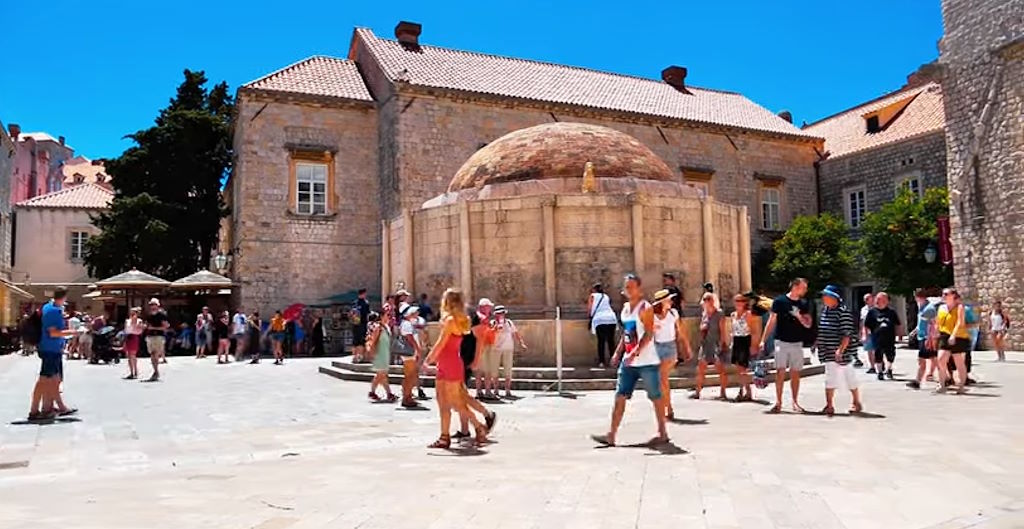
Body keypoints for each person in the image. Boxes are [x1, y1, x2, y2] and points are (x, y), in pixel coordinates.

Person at [591, 274, 668, 447]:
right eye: (626, 287)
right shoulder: (625, 308)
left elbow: (648, 334)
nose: (628, 290)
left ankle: (662, 432)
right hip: (629, 361)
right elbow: (627, 334)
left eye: (632, 286)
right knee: (620, 395)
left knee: (655, 396)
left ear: (639, 289)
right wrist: (619, 353)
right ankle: (611, 434)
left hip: (647, 360)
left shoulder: (645, 308)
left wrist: (635, 352)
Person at [425, 288, 490, 448]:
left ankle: (478, 426)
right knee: (443, 401)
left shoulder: (450, 321)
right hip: (450, 362)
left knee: (456, 402)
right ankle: (444, 436)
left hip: (449, 364)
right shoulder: (461, 320)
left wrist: (428, 360)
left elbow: (441, 343)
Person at [761, 278, 813, 413]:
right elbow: (772, 321)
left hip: (797, 342)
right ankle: (778, 402)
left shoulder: (803, 303)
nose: (805, 290)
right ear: (795, 286)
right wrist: (763, 340)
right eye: (803, 287)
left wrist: (799, 317)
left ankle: (795, 402)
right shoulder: (779, 301)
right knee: (780, 372)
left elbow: (808, 324)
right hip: (781, 341)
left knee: (795, 373)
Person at [27, 287, 78, 421]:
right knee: (44, 380)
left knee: (54, 380)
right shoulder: (53, 311)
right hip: (50, 349)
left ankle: (49, 407)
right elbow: (53, 332)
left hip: (51, 349)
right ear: (64, 297)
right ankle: (34, 410)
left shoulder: (49, 307)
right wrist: (72, 332)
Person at [455, 299, 498, 439]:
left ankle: (487, 414)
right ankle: (464, 429)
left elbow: (480, 341)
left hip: (466, 360)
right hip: (461, 359)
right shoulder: (462, 320)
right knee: (460, 395)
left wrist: (476, 361)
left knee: (460, 395)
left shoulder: (474, 320)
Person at [816, 285, 863, 416]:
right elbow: (823, 330)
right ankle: (829, 405)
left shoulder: (843, 312)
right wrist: (817, 343)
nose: (823, 298)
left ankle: (856, 402)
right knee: (830, 378)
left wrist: (840, 350)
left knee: (849, 378)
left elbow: (847, 334)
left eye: (826, 295)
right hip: (828, 351)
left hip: (843, 354)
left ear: (834, 298)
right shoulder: (825, 310)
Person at [651, 289, 691, 420]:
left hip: (670, 348)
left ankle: (667, 409)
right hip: (656, 348)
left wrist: (687, 348)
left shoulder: (673, 314)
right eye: (669, 299)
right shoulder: (652, 316)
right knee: (662, 381)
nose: (671, 301)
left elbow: (681, 332)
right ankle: (668, 408)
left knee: (662, 379)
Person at [692, 292, 729, 400]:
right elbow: (702, 327)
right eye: (704, 299)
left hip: (715, 343)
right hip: (705, 344)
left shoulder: (719, 314)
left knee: (720, 369)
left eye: (708, 299)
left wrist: (722, 343)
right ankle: (697, 391)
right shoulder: (704, 314)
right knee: (700, 368)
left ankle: (723, 392)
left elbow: (722, 331)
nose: (705, 302)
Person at [936, 288, 970, 394]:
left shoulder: (959, 307)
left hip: (959, 336)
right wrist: (935, 333)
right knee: (941, 359)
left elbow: (960, 322)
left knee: (959, 362)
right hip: (944, 335)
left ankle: (961, 386)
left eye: (946, 294)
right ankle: (942, 385)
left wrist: (953, 335)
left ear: (953, 295)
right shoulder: (941, 308)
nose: (943, 295)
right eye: (943, 294)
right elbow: (938, 322)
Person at [730, 293, 762, 402]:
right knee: (739, 368)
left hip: (745, 340)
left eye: (741, 301)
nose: (739, 303)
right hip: (736, 340)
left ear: (745, 303)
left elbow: (754, 331)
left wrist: (753, 345)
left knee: (743, 368)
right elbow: (733, 329)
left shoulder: (748, 314)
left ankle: (743, 390)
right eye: (737, 301)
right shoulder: (733, 315)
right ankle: (746, 390)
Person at [864, 292, 902, 381]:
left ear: (886, 301)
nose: (878, 301)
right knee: (878, 355)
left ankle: (889, 369)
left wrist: (899, 335)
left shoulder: (891, 312)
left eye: (880, 299)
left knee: (890, 355)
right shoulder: (872, 312)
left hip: (889, 338)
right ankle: (880, 372)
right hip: (876, 337)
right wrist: (865, 335)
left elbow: (898, 324)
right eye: (877, 299)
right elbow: (866, 325)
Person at [491, 305, 527, 399]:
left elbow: (516, 333)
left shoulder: (509, 323)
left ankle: (507, 390)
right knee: (495, 370)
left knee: (508, 370)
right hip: (496, 349)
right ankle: (496, 390)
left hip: (508, 348)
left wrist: (521, 343)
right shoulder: (492, 323)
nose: (501, 315)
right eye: (499, 313)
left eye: (502, 313)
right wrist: (495, 328)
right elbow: (489, 334)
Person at [366, 310, 398, 402]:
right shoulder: (378, 327)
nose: (389, 316)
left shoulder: (386, 327)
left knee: (382, 375)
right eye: (387, 315)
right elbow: (373, 341)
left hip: (385, 353)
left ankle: (388, 393)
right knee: (381, 374)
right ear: (382, 316)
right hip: (379, 353)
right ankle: (374, 392)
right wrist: (371, 353)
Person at [397, 304, 423, 407]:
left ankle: (408, 396)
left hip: (410, 353)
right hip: (409, 353)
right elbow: (410, 338)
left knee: (410, 375)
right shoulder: (407, 324)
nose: (416, 315)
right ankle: (406, 398)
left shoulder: (407, 323)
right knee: (410, 376)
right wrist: (418, 349)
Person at [588, 283, 618, 368]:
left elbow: (590, 308)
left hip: (600, 319)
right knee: (611, 341)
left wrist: (589, 317)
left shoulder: (592, 296)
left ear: (594, 289)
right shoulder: (606, 296)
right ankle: (614, 361)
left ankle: (602, 361)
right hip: (611, 318)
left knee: (601, 341)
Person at [473, 299, 496, 399]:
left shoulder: (479, 317)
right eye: (489, 306)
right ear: (483, 307)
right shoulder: (482, 317)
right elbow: (482, 331)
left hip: (482, 345)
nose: (490, 308)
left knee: (480, 370)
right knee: (486, 370)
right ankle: (486, 391)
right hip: (483, 345)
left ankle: (480, 391)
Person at [143, 298, 169, 381]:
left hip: (158, 336)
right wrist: (144, 327)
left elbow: (165, 327)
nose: (152, 306)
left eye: (154, 304)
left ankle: (156, 371)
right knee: (152, 354)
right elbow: (146, 325)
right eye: (151, 305)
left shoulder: (161, 315)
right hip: (150, 336)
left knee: (155, 354)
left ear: (157, 305)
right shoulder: (149, 315)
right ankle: (156, 371)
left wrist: (153, 328)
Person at [123, 308, 145, 380]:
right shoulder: (127, 321)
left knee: (133, 355)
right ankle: (131, 372)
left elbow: (140, 331)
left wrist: (135, 323)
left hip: (134, 337)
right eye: (131, 313)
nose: (132, 314)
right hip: (128, 337)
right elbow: (126, 330)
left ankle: (135, 371)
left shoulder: (139, 321)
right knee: (129, 356)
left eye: (134, 313)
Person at [351, 289, 370, 362]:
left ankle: (354, 357)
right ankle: (360, 356)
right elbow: (367, 314)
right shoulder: (365, 303)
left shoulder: (354, 303)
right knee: (362, 340)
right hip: (362, 323)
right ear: (363, 294)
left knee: (355, 341)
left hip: (355, 324)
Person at [860, 293, 876, 373]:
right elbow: (862, 321)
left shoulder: (877, 308)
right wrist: (861, 333)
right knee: (869, 350)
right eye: (866, 299)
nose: (867, 300)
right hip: (866, 332)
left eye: (869, 298)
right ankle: (872, 367)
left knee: (877, 350)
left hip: (876, 332)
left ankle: (880, 364)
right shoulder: (863, 309)